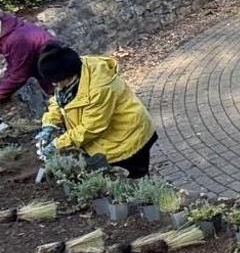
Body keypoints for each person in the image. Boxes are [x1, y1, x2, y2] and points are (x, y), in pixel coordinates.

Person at [34, 44, 157, 177]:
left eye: (56, 81)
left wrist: (57, 144)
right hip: (108, 140)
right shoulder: (71, 70)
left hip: (127, 139)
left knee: (134, 182)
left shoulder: (100, 88)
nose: (54, 85)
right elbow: (58, 100)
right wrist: (49, 124)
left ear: (67, 76)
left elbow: (91, 127)